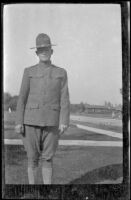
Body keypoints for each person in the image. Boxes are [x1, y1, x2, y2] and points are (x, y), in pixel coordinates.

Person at [15, 33, 70, 184]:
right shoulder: (29, 71)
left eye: (47, 48)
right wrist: (18, 122)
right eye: (41, 49)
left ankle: (47, 191)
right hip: (30, 122)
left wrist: (64, 121)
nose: (44, 51)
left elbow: (65, 98)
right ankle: (33, 189)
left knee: (48, 158)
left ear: (52, 51)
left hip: (52, 123)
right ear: (36, 53)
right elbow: (22, 98)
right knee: (32, 158)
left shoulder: (61, 72)